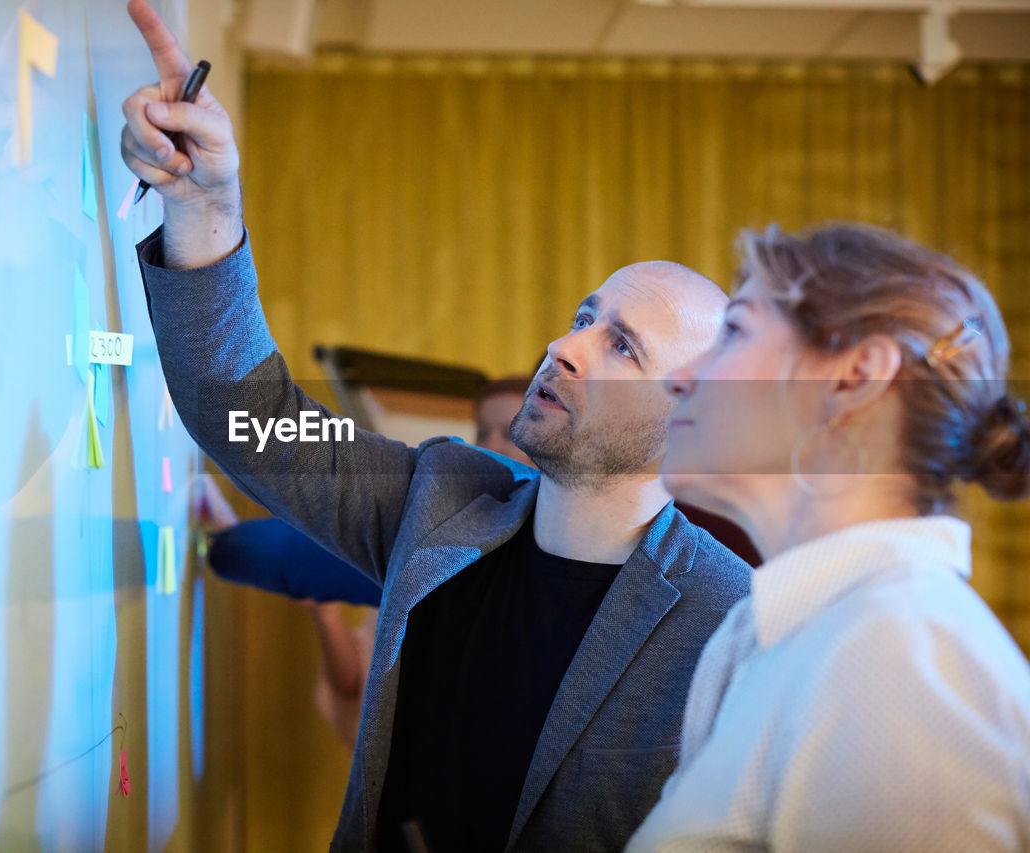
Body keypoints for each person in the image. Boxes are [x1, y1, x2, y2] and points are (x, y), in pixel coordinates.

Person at [119, 2, 752, 848]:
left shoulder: (736, 623)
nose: (563, 346)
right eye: (582, 316)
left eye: (622, 346)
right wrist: (205, 206)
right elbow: (252, 417)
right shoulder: (444, 497)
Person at [627, 222, 1030, 851]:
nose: (679, 377)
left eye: (734, 330)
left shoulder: (900, 652)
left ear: (853, 377)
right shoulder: (768, 634)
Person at [199, 378, 537, 747]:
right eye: (482, 431)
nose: (488, 446)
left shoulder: (467, 547)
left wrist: (231, 543)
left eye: (511, 434)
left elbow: (262, 552)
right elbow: (354, 682)